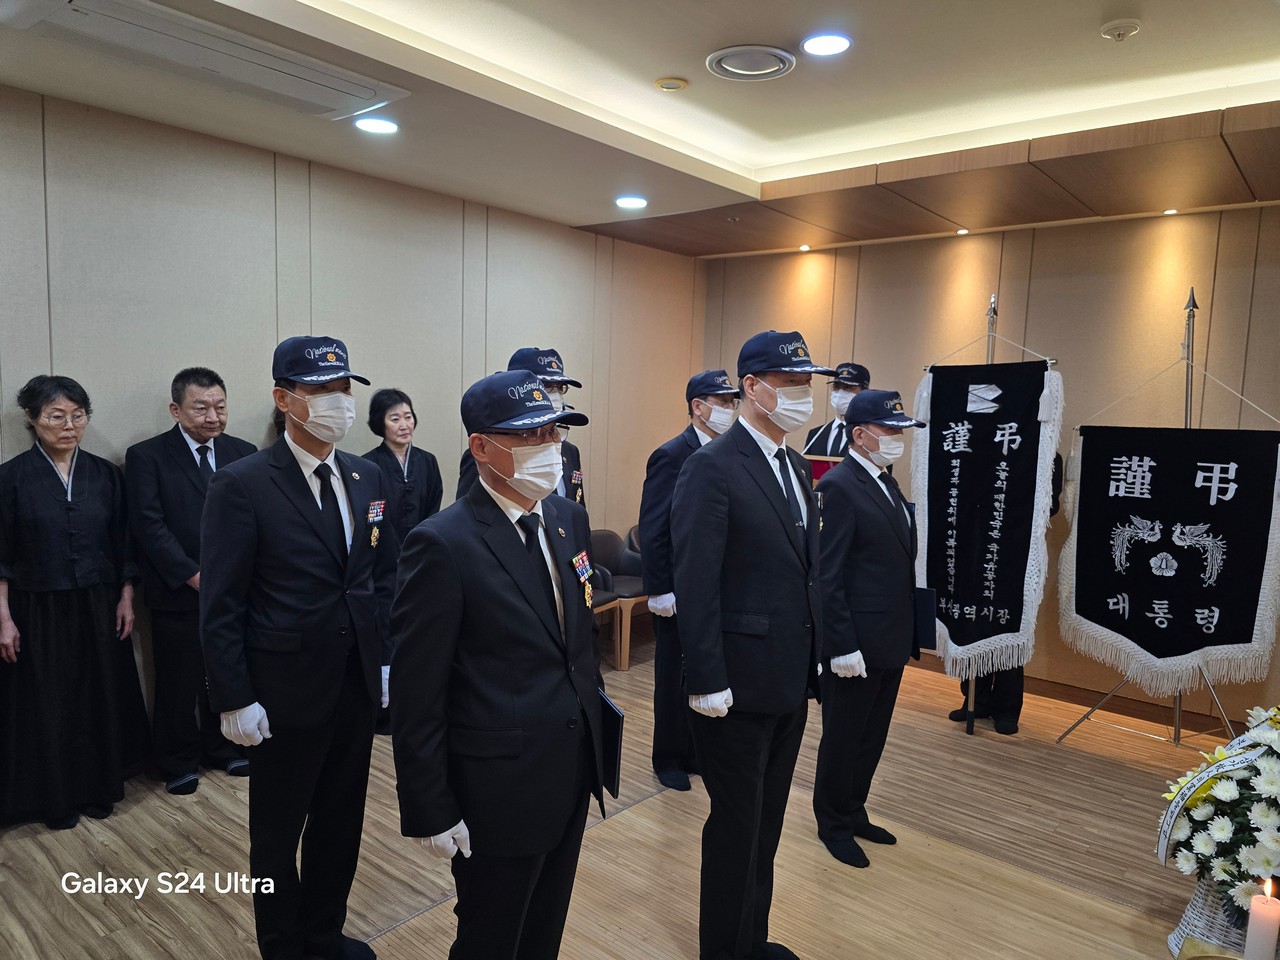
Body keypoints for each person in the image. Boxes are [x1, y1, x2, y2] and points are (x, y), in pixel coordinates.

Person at [391, 369, 604, 960]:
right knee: (492, 934)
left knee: (544, 925)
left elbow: (577, 638)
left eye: (552, 432)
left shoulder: (566, 518)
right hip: (497, 786)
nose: (548, 446)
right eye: (529, 435)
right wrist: (430, 805)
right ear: (482, 448)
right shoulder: (443, 543)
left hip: (570, 765)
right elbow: (417, 690)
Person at [200, 336, 399, 960]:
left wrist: (385, 658)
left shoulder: (367, 475)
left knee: (341, 821)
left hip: (354, 683)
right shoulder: (242, 483)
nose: (339, 402)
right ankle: (282, 945)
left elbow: (378, 578)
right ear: (285, 399)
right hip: (283, 690)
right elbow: (222, 602)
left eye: (344, 389)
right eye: (321, 391)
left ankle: (323, 934)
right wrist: (234, 697)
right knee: (277, 833)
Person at [671, 330, 831, 960]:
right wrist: (706, 678)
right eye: (790, 384)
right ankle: (723, 950)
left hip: (788, 676)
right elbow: (696, 579)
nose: (801, 395)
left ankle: (751, 941)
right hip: (734, 685)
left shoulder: (796, 466)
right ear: (752, 387)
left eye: (806, 385)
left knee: (767, 822)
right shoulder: (711, 467)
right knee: (737, 826)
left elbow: (805, 572)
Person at [0, 375, 148, 830]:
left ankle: (99, 788)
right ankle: (53, 799)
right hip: (35, 608)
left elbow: (124, 542)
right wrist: (4, 618)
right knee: (48, 703)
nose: (69, 426)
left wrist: (126, 596)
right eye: (56, 416)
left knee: (96, 696)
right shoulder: (10, 478)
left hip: (99, 603)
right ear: (32, 419)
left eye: (78, 416)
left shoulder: (105, 475)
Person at [126, 367, 257, 796]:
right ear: (176, 410)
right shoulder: (147, 456)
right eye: (201, 408)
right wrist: (191, 574)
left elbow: (255, 519)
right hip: (177, 589)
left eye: (220, 407)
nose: (212, 417)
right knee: (178, 679)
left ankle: (226, 747)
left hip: (234, 588)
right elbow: (149, 524)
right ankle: (178, 760)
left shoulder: (244, 452)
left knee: (227, 669)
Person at [812, 389, 926, 869]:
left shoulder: (884, 481)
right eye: (890, 429)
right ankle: (832, 823)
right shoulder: (839, 485)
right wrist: (840, 644)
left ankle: (854, 809)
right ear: (860, 435)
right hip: (855, 643)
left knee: (871, 736)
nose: (899, 437)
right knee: (844, 737)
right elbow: (827, 574)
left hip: (889, 637)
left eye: (901, 429)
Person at [638, 369, 739, 792]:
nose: (730, 409)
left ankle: (697, 751)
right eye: (723, 401)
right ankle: (668, 757)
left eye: (733, 401)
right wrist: (660, 587)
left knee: (703, 668)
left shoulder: (727, 454)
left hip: (713, 589)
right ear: (698, 407)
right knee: (672, 674)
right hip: (676, 590)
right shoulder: (671, 454)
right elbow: (654, 527)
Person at [948, 451, 1063, 735]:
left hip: (1017, 557)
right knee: (974, 627)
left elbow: (1050, 507)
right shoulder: (982, 448)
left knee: (1010, 630)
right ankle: (975, 699)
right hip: (978, 553)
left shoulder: (1046, 455)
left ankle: (1007, 707)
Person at [455, 347, 587, 508]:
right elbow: (471, 510)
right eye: (544, 385)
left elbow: (575, 503)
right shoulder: (490, 449)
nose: (554, 395)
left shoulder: (567, 449)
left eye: (560, 387)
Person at [362, 388, 443, 546]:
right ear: (380, 423)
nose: (404, 425)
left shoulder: (428, 461)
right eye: (395, 419)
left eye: (408, 417)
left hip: (423, 548)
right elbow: (372, 517)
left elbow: (433, 508)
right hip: (383, 551)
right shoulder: (368, 465)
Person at [802, 362, 870, 457]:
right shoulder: (816, 435)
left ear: (864, 392)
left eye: (848, 387)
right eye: (836, 387)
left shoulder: (870, 436)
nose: (840, 393)